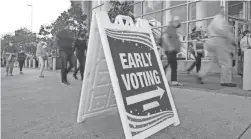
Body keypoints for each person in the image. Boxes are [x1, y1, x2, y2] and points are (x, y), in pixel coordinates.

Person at [197, 8, 236, 87]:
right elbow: (222, 30)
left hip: (211, 41)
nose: (225, 12)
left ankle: (201, 74)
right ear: (220, 12)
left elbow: (211, 30)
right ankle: (225, 81)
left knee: (212, 61)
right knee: (226, 62)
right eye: (223, 11)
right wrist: (232, 39)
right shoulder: (220, 19)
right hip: (219, 41)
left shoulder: (212, 21)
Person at [161, 16, 183, 86]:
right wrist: (170, 46)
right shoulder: (170, 28)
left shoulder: (173, 28)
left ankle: (163, 79)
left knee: (170, 65)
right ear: (174, 21)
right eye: (177, 21)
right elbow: (164, 36)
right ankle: (172, 81)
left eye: (179, 21)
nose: (178, 23)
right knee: (172, 65)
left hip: (171, 50)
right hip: (170, 50)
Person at [54, 20, 76, 85]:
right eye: (70, 24)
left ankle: (64, 73)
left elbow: (73, 42)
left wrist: (73, 48)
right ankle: (64, 80)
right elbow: (55, 39)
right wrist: (58, 47)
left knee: (72, 64)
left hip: (70, 50)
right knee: (64, 64)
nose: (71, 26)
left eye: (72, 25)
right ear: (67, 25)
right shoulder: (61, 32)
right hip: (62, 50)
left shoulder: (72, 33)